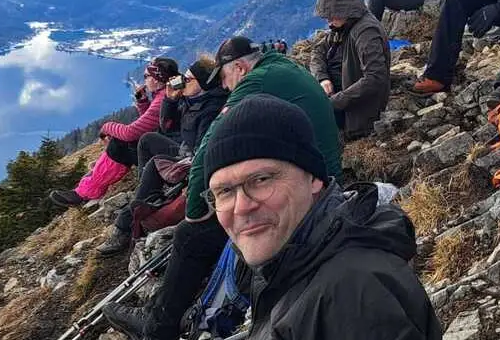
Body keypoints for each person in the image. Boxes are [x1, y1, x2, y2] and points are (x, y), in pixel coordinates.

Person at [102, 36, 342, 340]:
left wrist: (195, 211)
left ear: (239, 68)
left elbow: (210, 143)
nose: (225, 86)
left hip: (309, 190)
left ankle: (156, 328)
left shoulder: (254, 83)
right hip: (318, 177)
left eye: (225, 78)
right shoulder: (280, 67)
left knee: (191, 236)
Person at [202, 94, 443, 339]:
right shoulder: (292, 267)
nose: (241, 207)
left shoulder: (349, 294)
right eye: (224, 191)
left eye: (261, 180)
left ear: (314, 178)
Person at [97, 55, 227, 256]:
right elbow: (166, 126)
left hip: (192, 157)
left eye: (188, 79)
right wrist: (170, 99)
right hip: (185, 149)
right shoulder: (192, 99)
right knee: (147, 141)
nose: (182, 81)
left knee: (148, 150)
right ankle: (143, 195)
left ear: (202, 83)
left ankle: (126, 223)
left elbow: (200, 146)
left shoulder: (209, 107)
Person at [50, 57, 179, 207]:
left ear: (157, 79)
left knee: (121, 143)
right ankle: (90, 184)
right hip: (168, 145)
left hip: (169, 153)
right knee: (123, 142)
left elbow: (130, 132)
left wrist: (107, 126)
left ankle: (86, 192)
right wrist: (143, 102)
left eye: (146, 76)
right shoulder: (164, 94)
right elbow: (153, 122)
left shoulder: (161, 99)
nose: (144, 81)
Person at [310, 0, 391, 141]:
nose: (328, 21)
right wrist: (323, 78)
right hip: (341, 97)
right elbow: (318, 51)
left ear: (344, 9)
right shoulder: (344, 25)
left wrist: (332, 103)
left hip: (357, 113)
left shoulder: (366, 32)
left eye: (331, 15)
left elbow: (375, 78)